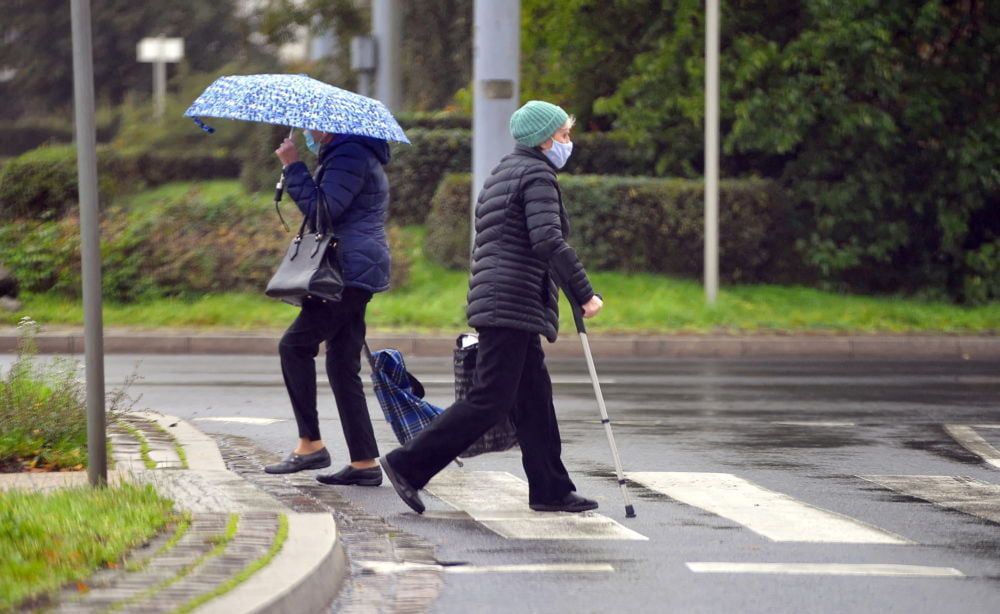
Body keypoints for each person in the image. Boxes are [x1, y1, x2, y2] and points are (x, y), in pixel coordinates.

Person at [381, 100, 604, 514]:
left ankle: (551, 488)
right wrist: (584, 292)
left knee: (535, 399)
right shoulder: (537, 175)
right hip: (511, 302)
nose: (568, 143)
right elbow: (548, 240)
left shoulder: (504, 171)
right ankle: (407, 464)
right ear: (543, 139)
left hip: (506, 299)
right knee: (489, 400)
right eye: (564, 135)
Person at [263, 128, 391, 488]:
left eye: (311, 125)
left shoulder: (349, 155)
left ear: (329, 126)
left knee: (295, 346)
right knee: (340, 362)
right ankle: (364, 462)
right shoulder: (351, 154)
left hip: (346, 270)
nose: (306, 131)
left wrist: (293, 168)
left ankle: (310, 445)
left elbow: (324, 211)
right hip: (354, 266)